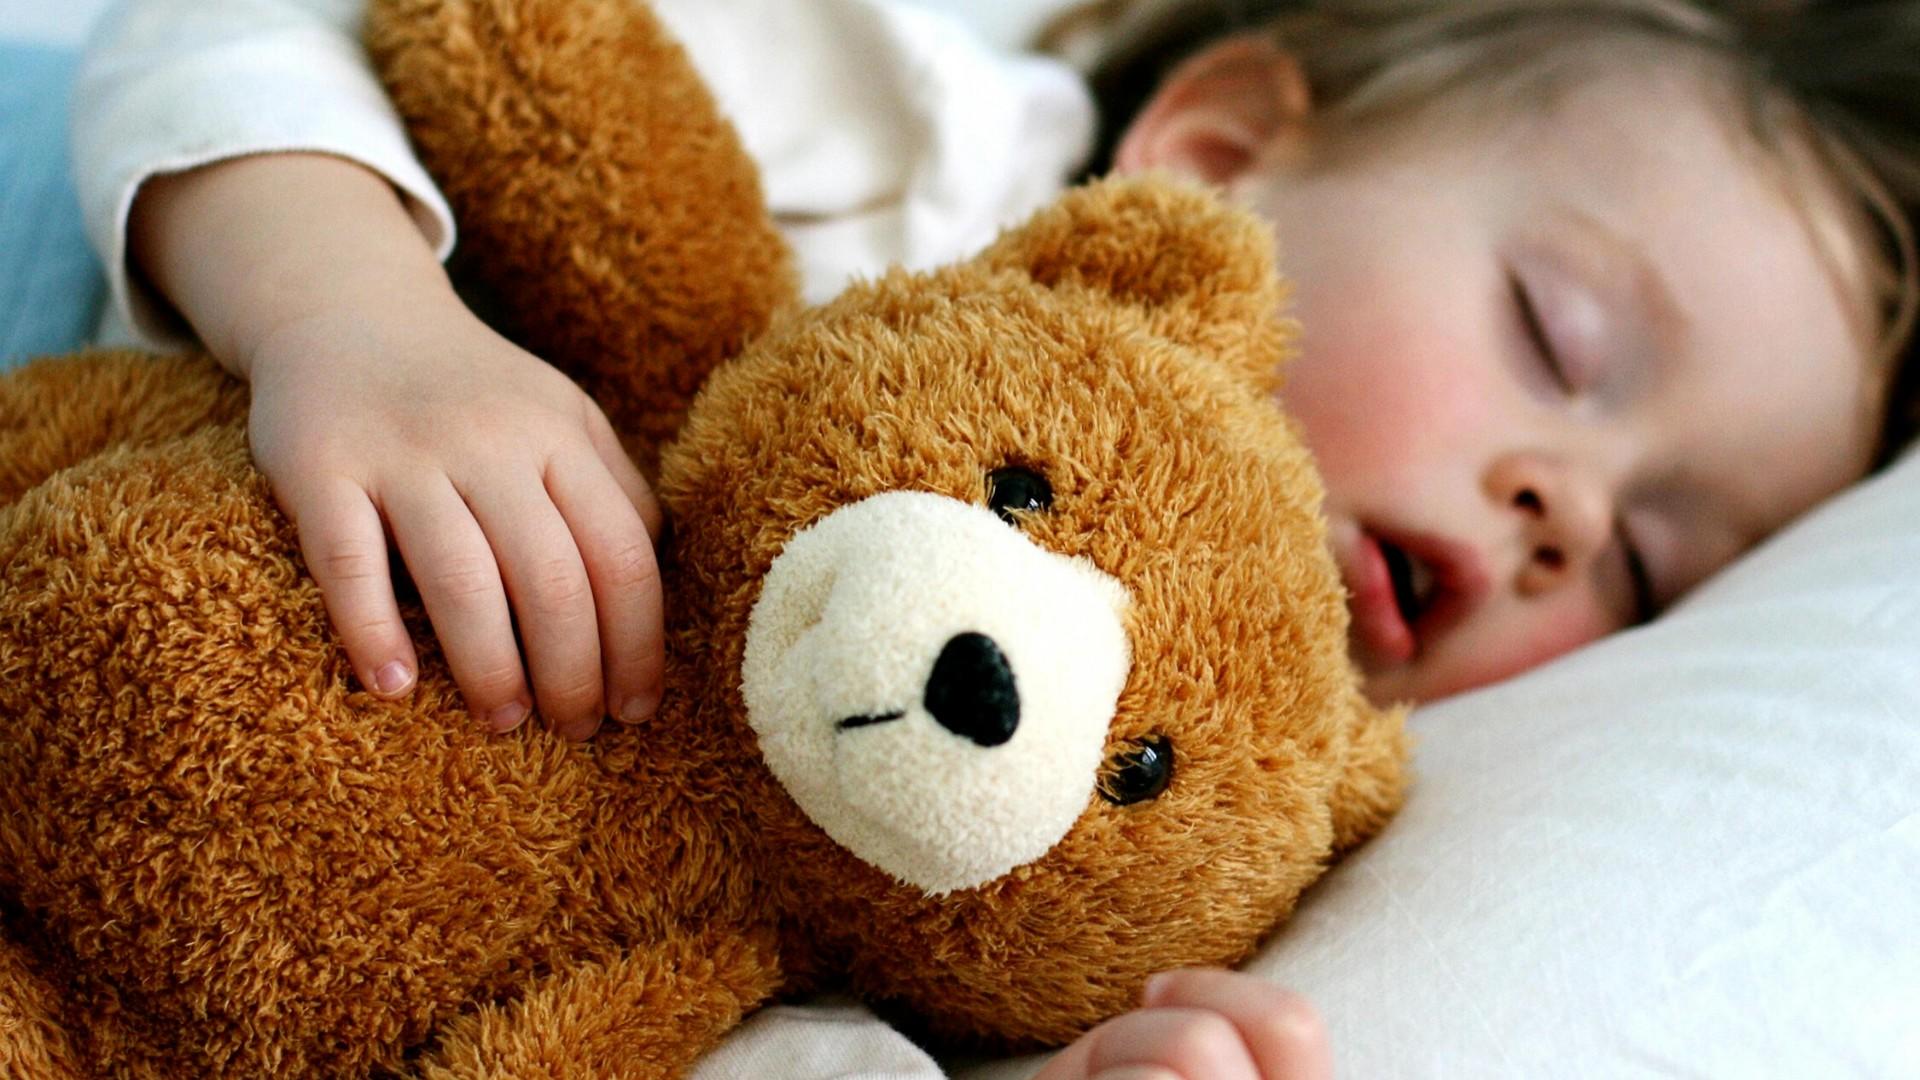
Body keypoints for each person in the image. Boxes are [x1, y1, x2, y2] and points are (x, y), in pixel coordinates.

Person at [67, 0, 1920, 1077]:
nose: (1561, 511)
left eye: (1650, 565)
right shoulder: (915, 142)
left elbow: (742, 996)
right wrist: (358, 314)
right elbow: (278, 25)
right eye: (1560, 341)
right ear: (1214, 159)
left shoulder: (1203, 824)